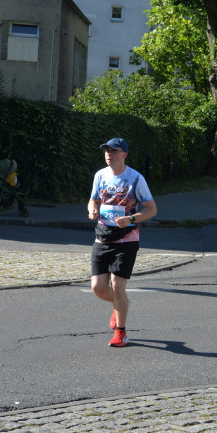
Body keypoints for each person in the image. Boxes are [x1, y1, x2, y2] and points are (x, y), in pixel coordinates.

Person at [88, 137, 158, 348]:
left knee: (118, 285)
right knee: (98, 288)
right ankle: (121, 304)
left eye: (113, 151)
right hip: (102, 236)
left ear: (124, 155)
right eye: (106, 150)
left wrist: (131, 219)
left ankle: (121, 332)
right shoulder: (100, 175)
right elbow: (94, 199)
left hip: (126, 238)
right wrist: (91, 208)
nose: (109, 154)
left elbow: (151, 209)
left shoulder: (136, 179)